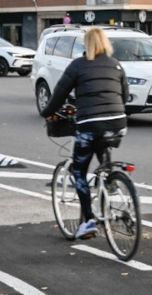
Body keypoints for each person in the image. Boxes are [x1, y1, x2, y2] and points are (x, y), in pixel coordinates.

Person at [40, 28, 129, 239]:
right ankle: (111, 183)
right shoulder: (116, 64)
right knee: (103, 156)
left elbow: (59, 94)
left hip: (90, 124)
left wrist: (47, 113)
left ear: (86, 45)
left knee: (79, 171)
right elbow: (124, 95)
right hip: (118, 123)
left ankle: (89, 221)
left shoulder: (78, 65)